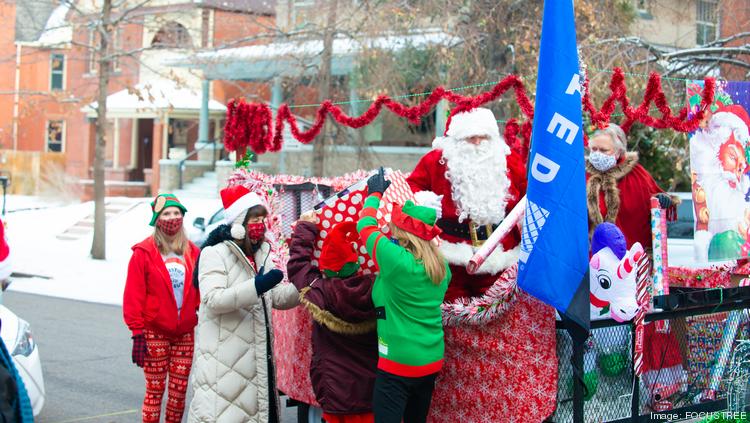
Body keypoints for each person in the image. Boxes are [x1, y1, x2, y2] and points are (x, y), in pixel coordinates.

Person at [585, 123, 684, 406]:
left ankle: (652, 393)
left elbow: (658, 200)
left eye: (602, 150)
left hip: (632, 271)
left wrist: (664, 201)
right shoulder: (582, 176)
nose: (596, 154)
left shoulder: (636, 174)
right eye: (593, 149)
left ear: (618, 151)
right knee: (597, 331)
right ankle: (595, 401)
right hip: (594, 272)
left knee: (640, 329)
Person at [188, 184, 299, 423]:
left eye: (262, 219)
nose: (259, 224)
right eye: (254, 219)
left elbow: (276, 297)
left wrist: (304, 284)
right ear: (238, 223)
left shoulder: (261, 254)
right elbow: (213, 299)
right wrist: (258, 286)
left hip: (254, 363)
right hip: (224, 369)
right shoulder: (214, 253)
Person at [357, 169, 450, 423]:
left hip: (397, 360)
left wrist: (374, 194)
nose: (389, 229)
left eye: (394, 226)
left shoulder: (395, 260)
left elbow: (364, 225)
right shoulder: (442, 267)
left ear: (404, 235)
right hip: (430, 360)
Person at [406, 107, 527, 302]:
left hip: (499, 254)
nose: (478, 143)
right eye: (471, 138)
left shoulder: (508, 160)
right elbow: (409, 188)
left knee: (497, 312)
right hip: (450, 254)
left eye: (484, 137)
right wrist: (422, 199)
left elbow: (527, 196)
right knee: (450, 310)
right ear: (456, 140)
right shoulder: (435, 160)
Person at [287, 213, 378, 423]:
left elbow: (297, 265)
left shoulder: (318, 290)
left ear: (325, 268)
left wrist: (306, 227)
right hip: (372, 391)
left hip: (335, 392)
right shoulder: (375, 287)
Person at [123, 193, 200, 423]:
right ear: (157, 219)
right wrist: (137, 334)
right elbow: (133, 295)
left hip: (184, 333)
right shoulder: (143, 253)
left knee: (178, 396)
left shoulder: (193, 252)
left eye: (177, 213)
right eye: (167, 214)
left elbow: (201, 290)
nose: (172, 218)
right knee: (154, 394)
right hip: (154, 332)